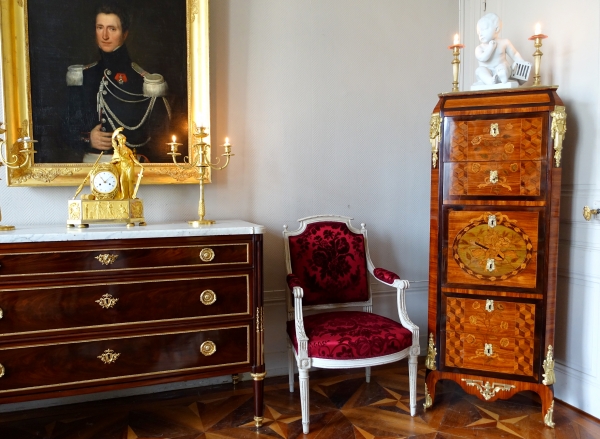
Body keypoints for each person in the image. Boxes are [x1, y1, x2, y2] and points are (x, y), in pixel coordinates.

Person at [64, 1, 171, 163]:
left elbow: (160, 137)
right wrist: (88, 139)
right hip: (90, 168)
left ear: (125, 34)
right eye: (100, 27)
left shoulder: (144, 81)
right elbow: (64, 130)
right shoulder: (83, 76)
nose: (105, 36)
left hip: (132, 167)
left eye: (112, 29)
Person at [474, 13, 525, 86]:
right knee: (479, 70)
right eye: (478, 32)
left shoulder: (504, 42)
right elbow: (482, 58)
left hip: (500, 68)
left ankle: (502, 76)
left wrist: (521, 61)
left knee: (503, 67)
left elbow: (514, 53)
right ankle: (491, 81)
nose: (480, 34)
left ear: (496, 29)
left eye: (484, 29)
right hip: (487, 71)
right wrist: (490, 48)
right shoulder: (479, 48)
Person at [111, 127, 143, 199]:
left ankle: (131, 196)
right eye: (121, 139)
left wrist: (140, 164)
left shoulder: (128, 149)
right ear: (118, 140)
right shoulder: (117, 149)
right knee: (122, 180)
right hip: (122, 167)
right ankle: (124, 196)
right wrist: (115, 132)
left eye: (124, 139)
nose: (123, 141)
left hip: (129, 165)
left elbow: (133, 158)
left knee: (130, 182)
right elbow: (113, 141)